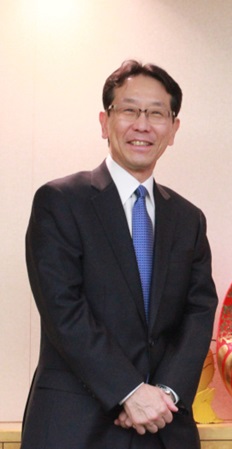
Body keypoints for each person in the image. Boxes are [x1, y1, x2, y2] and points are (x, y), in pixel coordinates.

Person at [22, 60, 218, 449]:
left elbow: (199, 313)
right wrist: (129, 391)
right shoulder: (60, 201)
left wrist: (165, 395)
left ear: (173, 129)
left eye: (156, 113)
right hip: (75, 425)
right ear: (104, 122)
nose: (142, 125)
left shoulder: (188, 219)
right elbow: (63, 309)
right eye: (129, 110)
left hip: (164, 425)